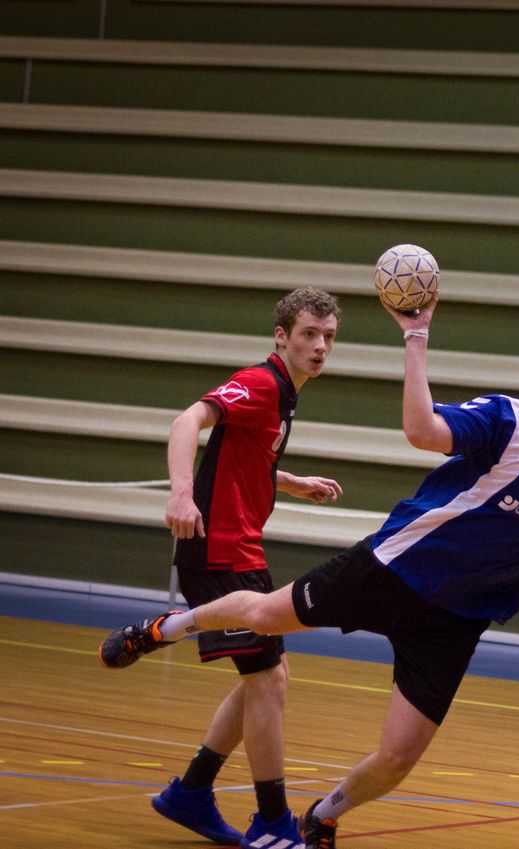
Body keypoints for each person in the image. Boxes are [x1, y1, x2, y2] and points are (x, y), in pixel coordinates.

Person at [100, 295, 519, 849]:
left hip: (454, 624)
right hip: (391, 568)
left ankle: (322, 817)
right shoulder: (512, 420)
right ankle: (164, 629)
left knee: (397, 758)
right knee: (261, 615)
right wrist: (416, 336)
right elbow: (422, 430)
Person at [126, 287, 343, 848]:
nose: (320, 346)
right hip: (217, 550)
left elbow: (247, 454)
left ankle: (192, 792)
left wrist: (291, 482)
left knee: (267, 677)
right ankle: (272, 823)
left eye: (328, 337)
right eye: (309, 335)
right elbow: (188, 421)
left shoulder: (285, 394)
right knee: (267, 679)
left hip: (242, 549)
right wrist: (180, 493)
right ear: (281, 336)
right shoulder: (262, 382)